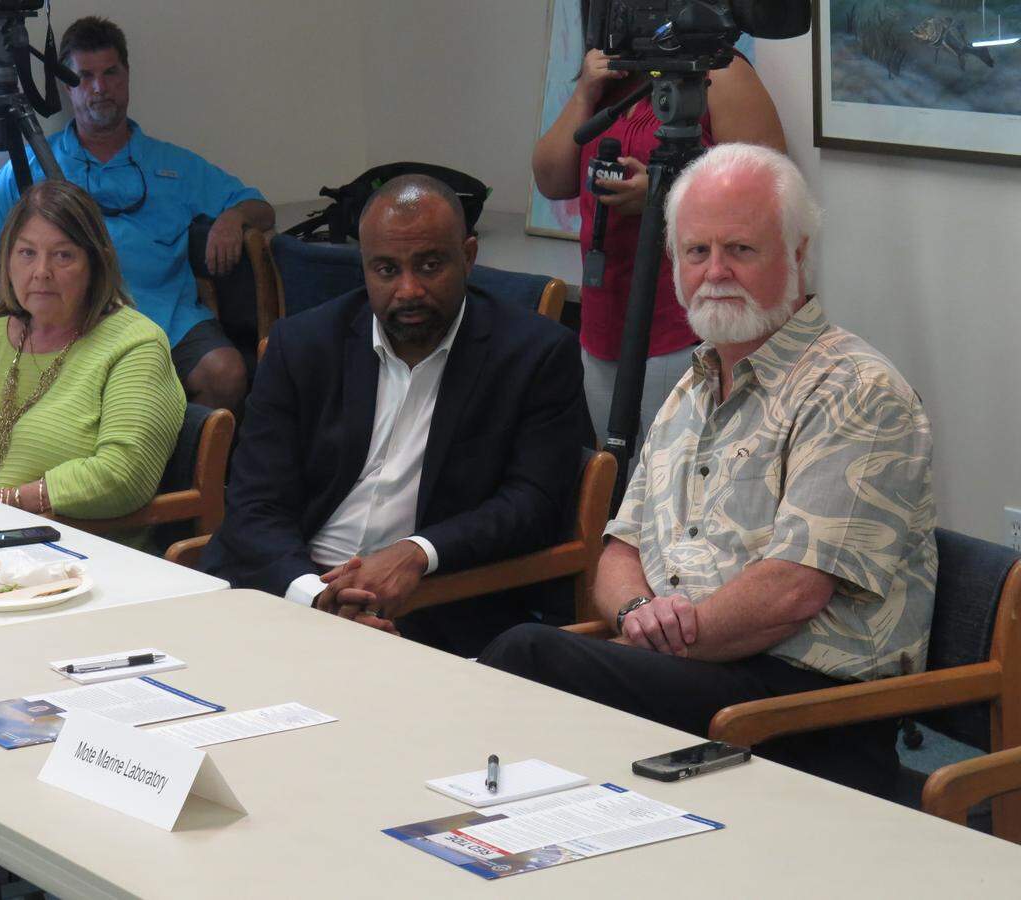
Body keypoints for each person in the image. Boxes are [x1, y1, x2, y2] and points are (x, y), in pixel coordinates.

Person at [481, 144, 937, 796]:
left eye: (741, 251)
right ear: (672, 265)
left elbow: (791, 594)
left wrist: (665, 640)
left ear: (800, 255)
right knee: (524, 696)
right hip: (695, 680)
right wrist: (638, 609)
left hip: (801, 713)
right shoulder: (691, 388)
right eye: (697, 252)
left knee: (529, 656)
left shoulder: (855, 390)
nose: (715, 272)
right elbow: (619, 551)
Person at [202, 175, 590, 658]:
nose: (408, 289)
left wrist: (418, 553)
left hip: (430, 604)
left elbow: (532, 501)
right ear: (364, 269)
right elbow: (255, 500)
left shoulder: (533, 355)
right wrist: (316, 594)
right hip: (284, 585)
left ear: (467, 257)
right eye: (386, 270)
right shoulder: (301, 345)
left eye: (429, 266)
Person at [0, 16, 275, 412]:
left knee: (226, 373)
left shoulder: (173, 163)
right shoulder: (35, 164)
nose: (99, 88)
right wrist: (15, 310)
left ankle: (187, 464)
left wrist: (233, 218)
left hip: (169, 319)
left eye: (110, 73)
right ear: (66, 87)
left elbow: (260, 207)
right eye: (84, 77)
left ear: (127, 76)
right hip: (80, 322)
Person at [531, 14, 786, 448]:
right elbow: (552, 180)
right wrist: (584, 92)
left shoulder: (720, 74)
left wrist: (666, 197)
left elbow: (770, 200)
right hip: (603, 322)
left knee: (674, 491)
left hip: (684, 328)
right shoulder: (609, 75)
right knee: (614, 480)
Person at [0, 179, 185, 518]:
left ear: (96, 263)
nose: (41, 272)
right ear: (7, 258)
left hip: (62, 551)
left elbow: (122, 476)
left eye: (63, 255)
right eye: (27, 253)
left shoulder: (135, 344)